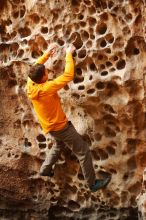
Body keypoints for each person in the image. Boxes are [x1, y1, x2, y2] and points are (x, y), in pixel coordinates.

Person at [26, 44, 111, 192]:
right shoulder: (46, 88)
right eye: (46, 72)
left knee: (58, 145)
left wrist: (46, 54)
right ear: (44, 77)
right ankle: (92, 184)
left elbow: (36, 65)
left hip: (50, 127)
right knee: (83, 152)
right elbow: (68, 76)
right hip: (61, 127)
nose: (47, 72)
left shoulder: (30, 83)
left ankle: (45, 169)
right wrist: (68, 54)